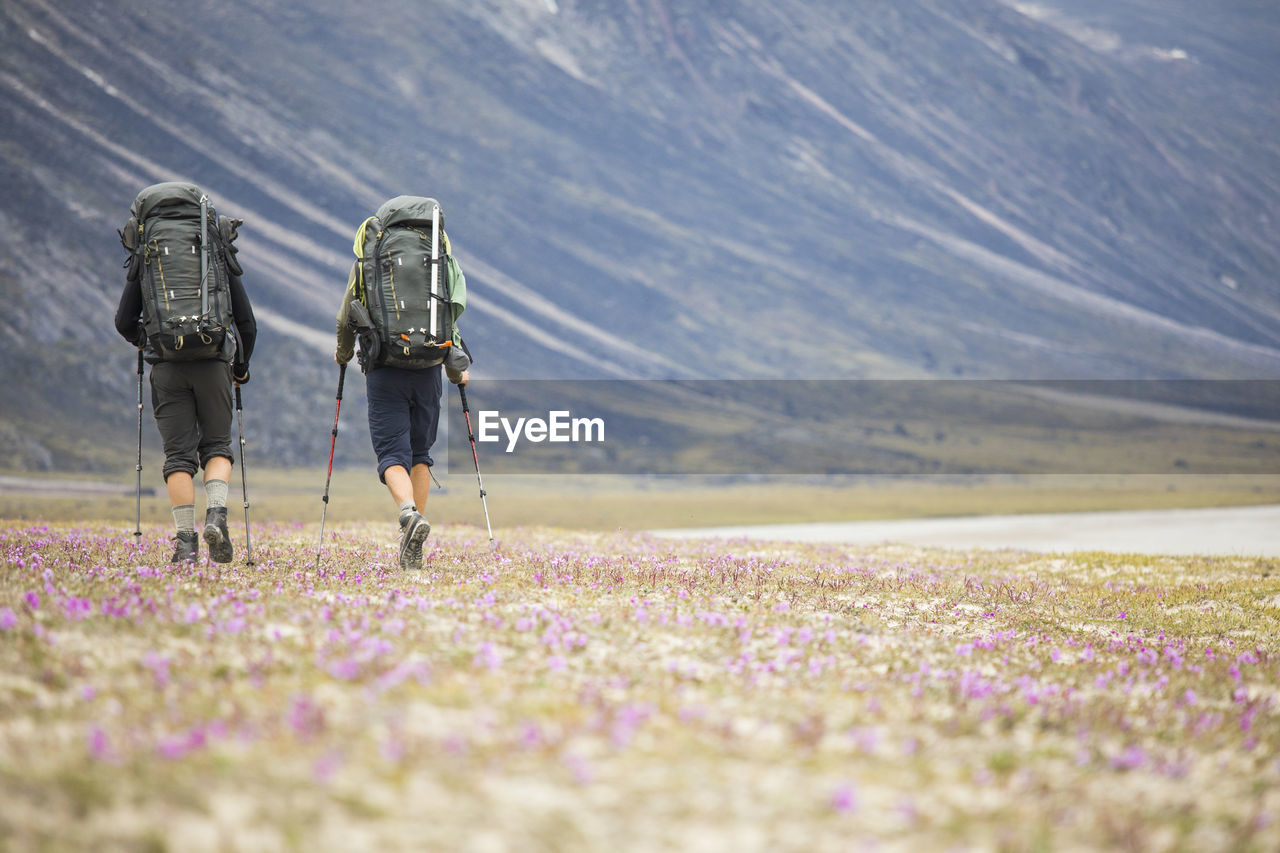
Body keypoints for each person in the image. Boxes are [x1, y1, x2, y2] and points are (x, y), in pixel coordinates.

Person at [114, 182, 256, 565]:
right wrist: (239, 367)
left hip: (166, 368)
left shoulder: (150, 255)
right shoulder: (212, 250)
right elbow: (246, 321)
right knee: (217, 447)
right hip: (213, 364)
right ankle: (216, 515)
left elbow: (124, 320)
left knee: (178, 458)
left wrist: (150, 341)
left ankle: (185, 544)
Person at [334, 195, 470, 571]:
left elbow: (348, 311)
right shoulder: (440, 254)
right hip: (428, 366)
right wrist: (456, 370)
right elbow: (451, 314)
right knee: (420, 454)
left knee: (392, 454)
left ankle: (409, 514)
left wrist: (343, 353)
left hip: (384, 365)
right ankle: (414, 546)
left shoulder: (373, 250)